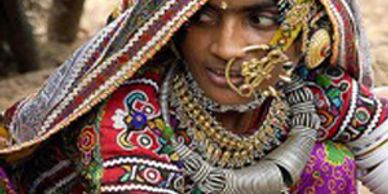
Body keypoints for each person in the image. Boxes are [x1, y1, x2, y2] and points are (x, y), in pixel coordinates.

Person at [0, 0, 387, 193]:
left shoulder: (311, 93)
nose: (225, 46)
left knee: (330, 163)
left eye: (260, 19)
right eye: (204, 17)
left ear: (312, 34)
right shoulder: (131, 116)